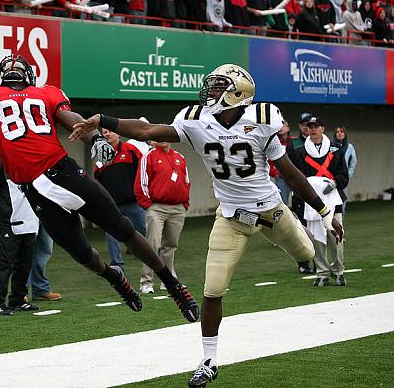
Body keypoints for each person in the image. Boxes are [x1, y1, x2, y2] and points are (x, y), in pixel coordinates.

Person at [0, 4, 199, 323]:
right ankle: (115, 278)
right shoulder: (14, 94)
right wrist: (93, 137)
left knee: (120, 228)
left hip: (60, 173)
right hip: (40, 186)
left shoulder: (4, 94)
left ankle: (173, 285)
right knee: (83, 250)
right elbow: (72, 121)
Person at [69, 64, 343, 388]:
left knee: (305, 252)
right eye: (212, 86)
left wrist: (324, 210)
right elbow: (147, 132)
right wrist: (104, 120)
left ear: (238, 93)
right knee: (212, 289)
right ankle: (209, 360)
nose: (210, 92)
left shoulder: (263, 119)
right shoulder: (197, 119)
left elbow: (289, 172)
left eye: (218, 87)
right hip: (231, 217)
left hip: (272, 212)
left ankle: (299, 243)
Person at [291, 116, 348, 287]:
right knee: (316, 238)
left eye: (316, 127)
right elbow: (297, 176)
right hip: (312, 201)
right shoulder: (300, 151)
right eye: (310, 127)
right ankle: (322, 272)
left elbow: (344, 175)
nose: (313, 130)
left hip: (333, 200)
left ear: (323, 129)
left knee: (336, 237)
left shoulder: (336, 150)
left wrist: (335, 183)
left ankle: (339, 271)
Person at [0, 154, 40, 315]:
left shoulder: (33, 158)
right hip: (8, 223)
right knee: (4, 263)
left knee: (25, 263)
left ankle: (18, 300)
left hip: (30, 222)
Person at [134, 142, 190, 294]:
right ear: (153, 141)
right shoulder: (149, 156)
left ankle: (169, 281)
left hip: (177, 208)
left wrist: (184, 203)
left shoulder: (179, 157)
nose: (163, 139)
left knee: (171, 245)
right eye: (160, 137)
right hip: (157, 208)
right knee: (152, 245)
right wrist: (148, 205)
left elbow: (186, 181)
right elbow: (141, 182)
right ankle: (146, 282)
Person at [94, 128, 146, 268]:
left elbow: (143, 171)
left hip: (133, 203)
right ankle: (117, 265)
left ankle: (153, 258)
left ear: (118, 133)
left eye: (110, 131)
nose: (108, 134)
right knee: (111, 235)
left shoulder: (131, 150)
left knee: (144, 231)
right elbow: (96, 180)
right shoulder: (101, 156)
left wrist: (141, 194)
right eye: (105, 132)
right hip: (112, 206)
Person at [286, 112, 314, 274]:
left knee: (319, 228)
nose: (307, 127)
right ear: (300, 126)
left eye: (310, 124)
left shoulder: (322, 143)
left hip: (317, 191)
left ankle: (320, 261)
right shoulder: (294, 144)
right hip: (300, 190)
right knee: (301, 227)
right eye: (304, 124)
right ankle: (303, 262)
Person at [29, 224, 62, 301]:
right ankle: (20, 292)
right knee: (25, 249)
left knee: (44, 249)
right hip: (27, 214)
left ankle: (40, 290)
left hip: (46, 213)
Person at [333, 125, 357, 214]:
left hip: (343, 179)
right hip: (332, 178)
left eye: (342, 132)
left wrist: (348, 174)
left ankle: (340, 225)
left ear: (345, 134)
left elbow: (353, 163)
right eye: (337, 132)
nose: (339, 133)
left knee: (342, 202)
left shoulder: (349, 147)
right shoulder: (331, 146)